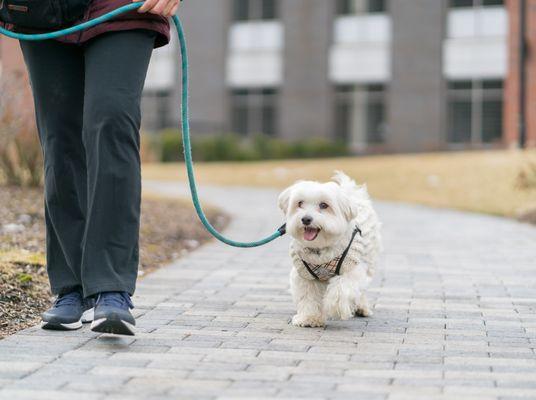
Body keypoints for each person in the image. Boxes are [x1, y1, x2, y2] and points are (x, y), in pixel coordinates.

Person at [15, 0, 179, 335]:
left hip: (124, 7)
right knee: (60, 140)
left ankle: (111, 286)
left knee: (112, 123)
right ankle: (70, 287)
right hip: (43, 13)